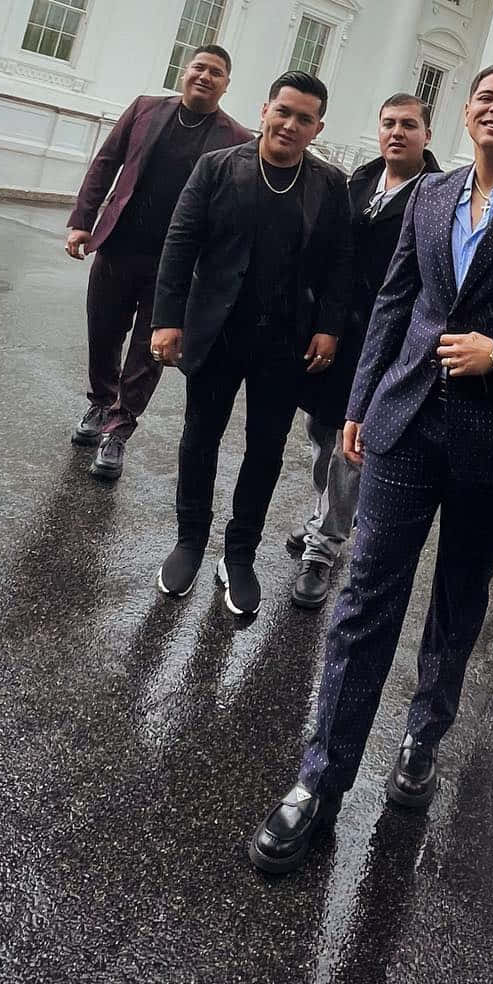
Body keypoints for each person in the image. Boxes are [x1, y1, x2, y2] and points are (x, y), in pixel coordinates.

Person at [247, 64, 493, 876]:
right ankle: (320, 780)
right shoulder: (431, 194)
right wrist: (360, 400)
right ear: (466, 111)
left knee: (456, 600)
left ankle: (422, 735)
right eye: (484, 97)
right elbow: (394, 302)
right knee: (366, 596)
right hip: (407, 424)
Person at [149, 72, 352, 618]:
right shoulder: (217, 167)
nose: (290, 123)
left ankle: (239, 555)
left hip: (285, 343)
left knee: (265, 450)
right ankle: (190, 542)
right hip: (217, 331)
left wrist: (329, 327)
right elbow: (180, 242)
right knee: (201, 437)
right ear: (265, 109)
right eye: (283, 111)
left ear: (317, 128)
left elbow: (339, 264)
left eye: (304, 118)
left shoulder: (329, 185)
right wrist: (166, 320)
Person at [63, 46, 252, 481]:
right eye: (200, 67)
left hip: (176, 267)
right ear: (185, 72)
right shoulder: (145, 109)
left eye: (216, 72)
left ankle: (119, 428)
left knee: (149, 352)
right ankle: (99, 402)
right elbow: (105, 164)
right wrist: (81, 221)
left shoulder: (237, 139)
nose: (206, 76)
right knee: (104, 330)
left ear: (226, 84)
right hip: (118, 245)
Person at [286, 92, 441, 611]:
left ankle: (323, 550)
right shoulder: (356, 182)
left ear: (427, 135)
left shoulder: (438, 196)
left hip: (387, 344)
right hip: (335, 331)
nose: (397, 133)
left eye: (409, 125)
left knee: (351, 447)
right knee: (318, 432)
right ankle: (322, 516)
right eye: (389, 123)